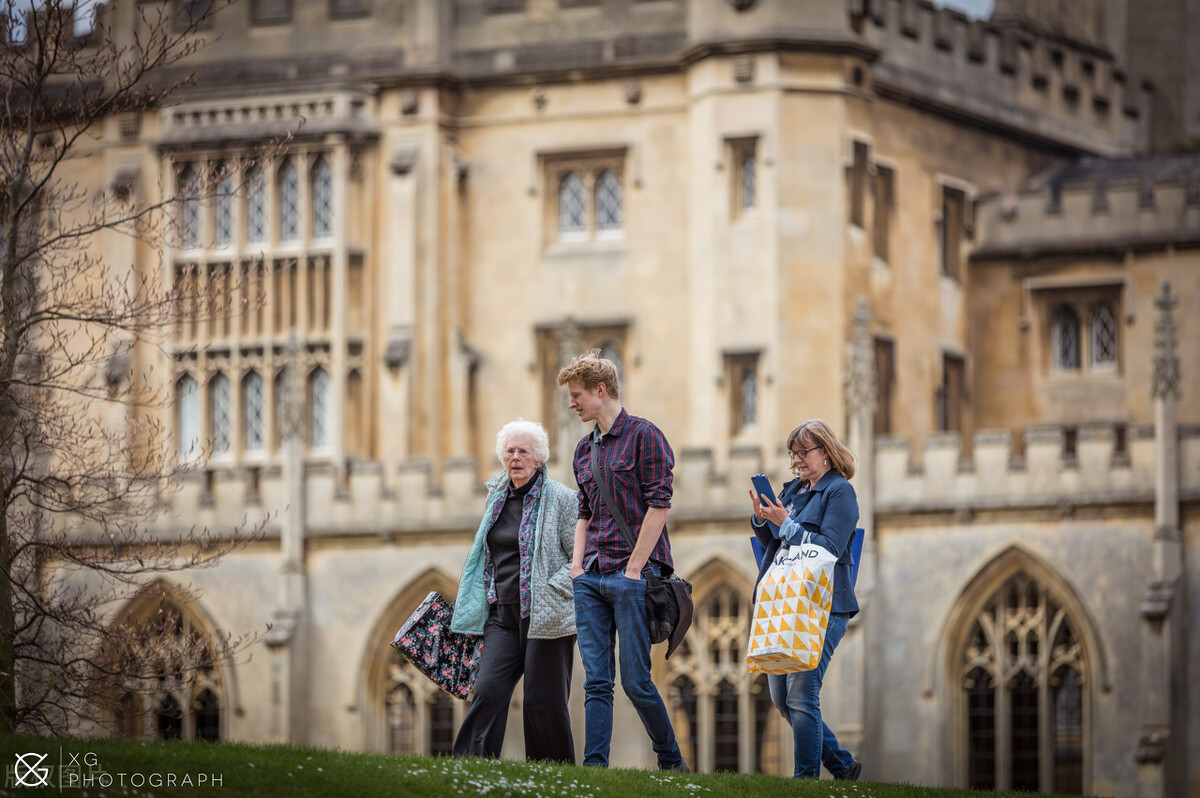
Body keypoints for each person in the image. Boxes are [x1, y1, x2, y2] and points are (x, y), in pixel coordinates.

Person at [556, 351, 688, 772]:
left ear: (601, 390)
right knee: (596, 682)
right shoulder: (583, 449)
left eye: (577, 396)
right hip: (591, 576)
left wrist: (633, 570)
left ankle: (671, 760)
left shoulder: (645, 436)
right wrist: (577, 567)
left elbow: (660, 506)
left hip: (632, 578)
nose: (571, 404)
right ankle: (595, 770)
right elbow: (584, 511)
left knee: (635, 681)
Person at [450, 419, 578, 763]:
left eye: (524, 451)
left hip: (546, 616)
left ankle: (553, 773)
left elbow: (581, 557)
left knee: (543, 702)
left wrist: (553, 590)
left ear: (539, 458)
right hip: (502, 618)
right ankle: (470, 765)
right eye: (510, 451)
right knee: (488, 690)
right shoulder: (495, 498)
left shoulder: (564, 500)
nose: (516, 457)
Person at [748, 419, 863, 781]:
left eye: (803, 452)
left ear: (826, 454)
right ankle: (843, 766)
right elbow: (774, 544)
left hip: (824, 606)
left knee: (801, 695)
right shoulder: (793, 491)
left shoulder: (840, 492)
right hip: (784, 604)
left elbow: (829, 549)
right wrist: (762, 519)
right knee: (782, 698)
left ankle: (805, 780)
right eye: (792, 453)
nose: (796, 460)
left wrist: (786, 525)